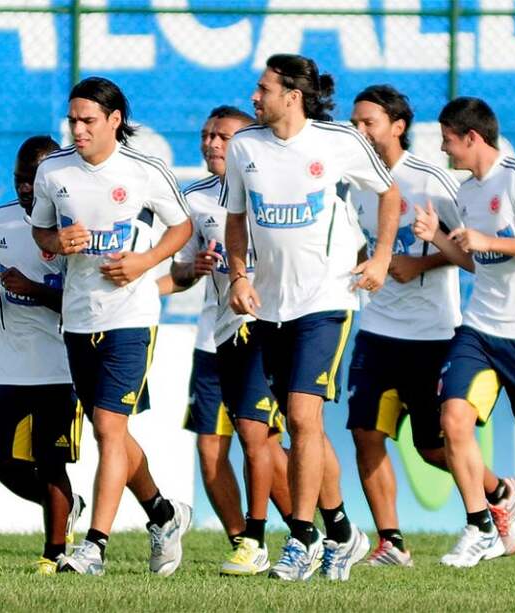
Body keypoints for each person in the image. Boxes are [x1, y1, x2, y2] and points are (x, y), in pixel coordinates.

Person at [224, 54, 402, 582]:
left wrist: (384, 256)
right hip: (269, 306)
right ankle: (343, 532)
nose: (254, 98)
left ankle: (302, 538)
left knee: (303, 417)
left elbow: (389, 191)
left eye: (263, 89)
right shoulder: (245, 147)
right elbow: (236, 219)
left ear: (292, 96)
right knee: (305, 426)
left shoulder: (337, 142)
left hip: (328, 299)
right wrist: (239, 275)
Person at [347, 85, 515, 567]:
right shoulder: (354, 181)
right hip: (376, 331)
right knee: (365, 432)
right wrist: (366, 264)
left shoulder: (432, 181)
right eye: (354, 122)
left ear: (398, 127)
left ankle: (501, 492)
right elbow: (359, 245)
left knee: (432, 448)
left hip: (432, 334)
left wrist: (418, 264)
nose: (359, 131)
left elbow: (475, 256)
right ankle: (392, 543)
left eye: (369, 123)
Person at [31, 77, 194, 576]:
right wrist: (59, 241)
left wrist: (144, 262)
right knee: (115, 434)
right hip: (79, 317)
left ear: (115, 121)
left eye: (88, 121)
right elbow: (40, 230)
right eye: (73, 120)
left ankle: (94, 547)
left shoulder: (144, 171)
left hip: (132, 316)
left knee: (108, 428)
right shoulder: (54, 171)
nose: (78, 130)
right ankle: (163, 515)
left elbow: (182, 226)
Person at [413, 96, 515, 570]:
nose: (445, 150)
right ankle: (480, 526)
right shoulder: (466, 193)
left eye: (448, 140)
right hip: (480, 329)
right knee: (453, 419)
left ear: (472, 137)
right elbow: (477, 262)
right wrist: (440, 239)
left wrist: (490, 239)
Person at [168, 106, 292, 576]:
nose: (211, 144)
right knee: (209, 448)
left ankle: (306, 533)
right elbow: (178, 273)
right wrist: (190, 268)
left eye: (222, 136)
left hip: (264, 334)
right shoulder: (194, 199)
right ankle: (243, 542)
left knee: (260, 441)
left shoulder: (275, 191)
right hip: (211, 338)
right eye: (206, 136)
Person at [0, 135, 87, 575]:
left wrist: (35, 290)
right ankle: (67, 506)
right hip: (12, 365)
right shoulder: (1, 221)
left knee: (49, 459)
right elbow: (2, 281)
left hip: (60, 364)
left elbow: (81, 300)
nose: (24, 188)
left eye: (33, 179)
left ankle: (55, 552)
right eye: (20, 179)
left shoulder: (70, 227)